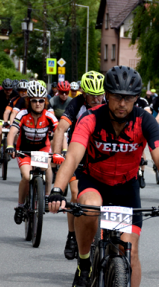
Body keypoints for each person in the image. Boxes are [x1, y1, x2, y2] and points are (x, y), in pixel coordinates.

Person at [47, 66, 159, 287]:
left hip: (125, 188)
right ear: (106, 96)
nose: (122, 103)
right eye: (116, 97)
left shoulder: (146, 121)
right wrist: (58, 190)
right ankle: (85, 264)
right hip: (93, 180)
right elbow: (73, 156)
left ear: (136, 99)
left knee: (130, 252)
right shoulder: (91, 120)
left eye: (129, 98)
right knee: (90, 206)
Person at [51, 71, 106, 260]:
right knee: (75, 194)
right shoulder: (76, 104)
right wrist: (57, 154)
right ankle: (72, 235)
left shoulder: (107, 104)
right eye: (92, 95)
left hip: (99, 156)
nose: (96, 99)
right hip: (78, 154)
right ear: (84, 93)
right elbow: (61, 129)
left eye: (100, 95)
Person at [5, 81, 58, 224]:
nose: (38, 103)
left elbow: (59, 133)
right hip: (24, 151)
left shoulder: (49, 116)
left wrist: (61, 151)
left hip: (42, 150)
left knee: (47, 169)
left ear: (45, 101)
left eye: (41, 100)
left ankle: (46, 197)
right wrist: (10, 145)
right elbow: (13, 132)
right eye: (34, 101)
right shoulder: (23, 114)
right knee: (27, 177)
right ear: (29, 101)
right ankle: (21, 206)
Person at [0, 78, 14, 165]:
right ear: (3, 88)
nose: (8, 91)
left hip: (11, 118)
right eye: (6, 89)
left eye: (10, 89)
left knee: (15, 132)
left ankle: (12, 146)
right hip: (0, 118)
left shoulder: (15, 94)